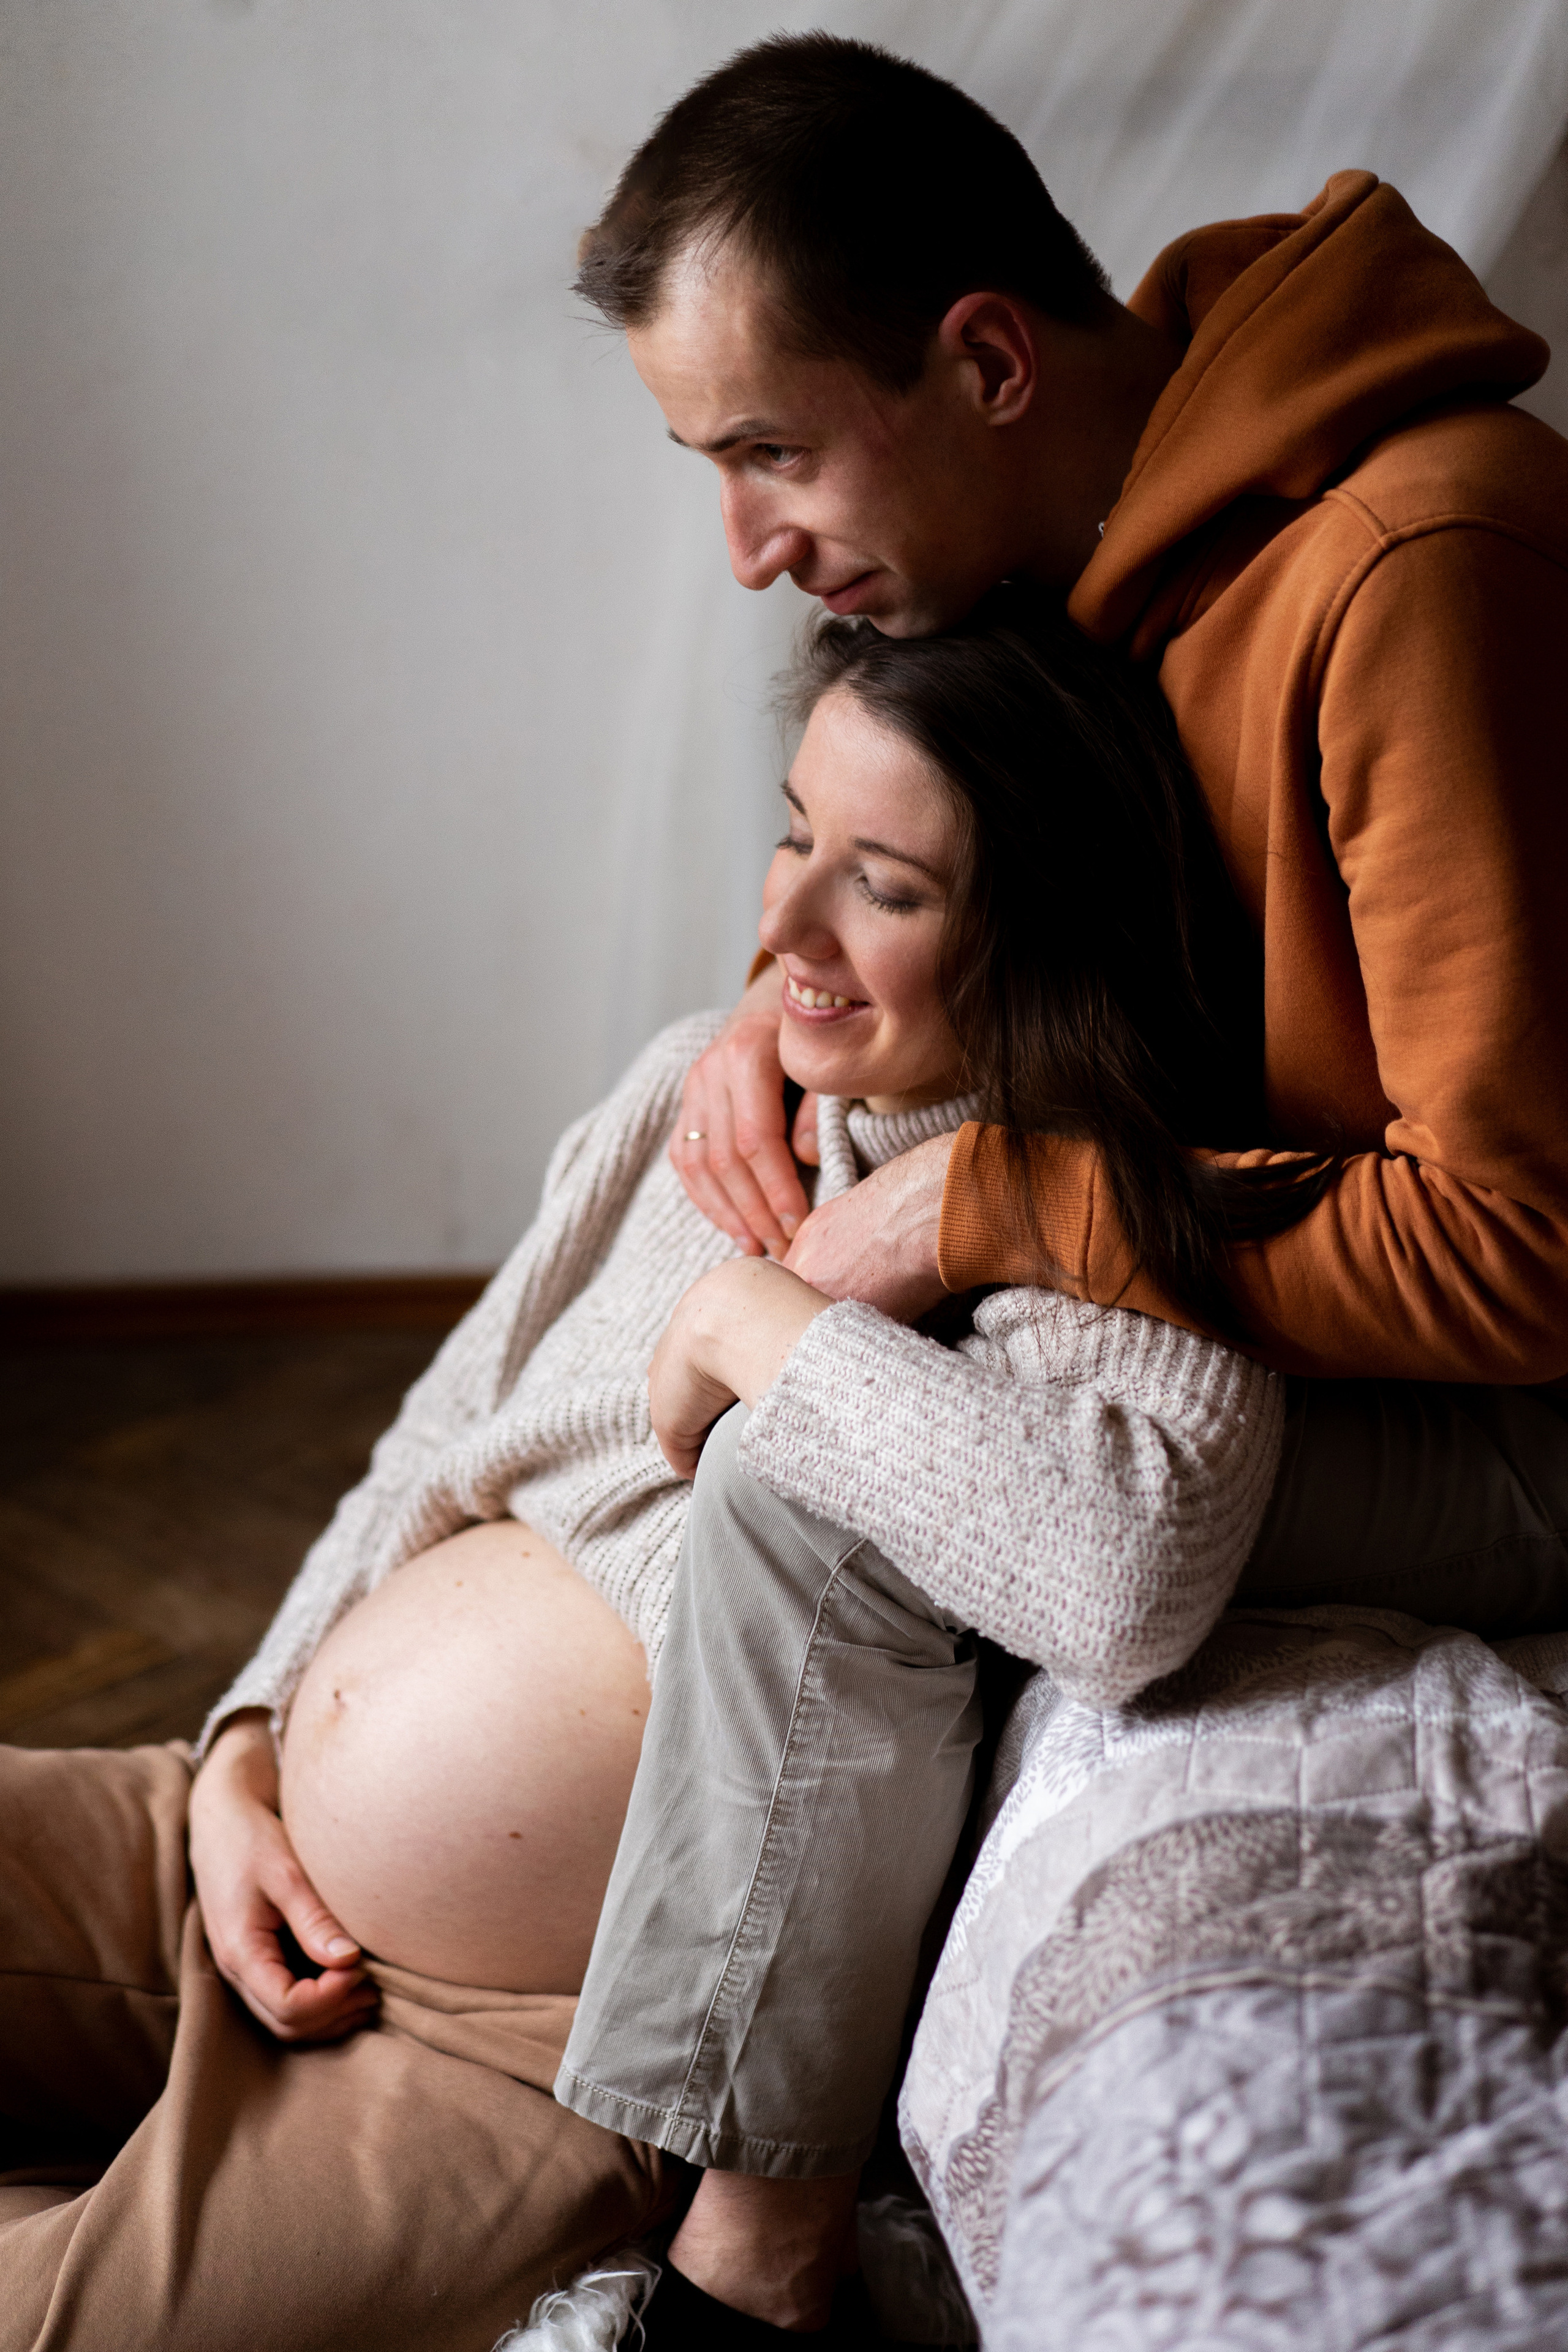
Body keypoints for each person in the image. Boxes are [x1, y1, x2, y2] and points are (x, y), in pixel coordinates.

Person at [549, 26, 1568, 2342]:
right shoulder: (1080, 555)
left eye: (776, 452)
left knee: (841, 1479)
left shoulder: (1419, 555)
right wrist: (783, 1003)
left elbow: (1524, 1252)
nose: (750, 550)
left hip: (1538, 1406)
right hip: (1260, 1319)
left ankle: (747, 2275)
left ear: (987, 358)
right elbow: (1013, 871)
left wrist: (997, 1207)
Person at [0, 592, 1291, 2350]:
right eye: (790, 834)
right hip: (225, 1851)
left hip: (510, 2043)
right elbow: (431, 1449)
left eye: (885, 887)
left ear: (1045, 931)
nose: (788, 923)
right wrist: (243, 1744)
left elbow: (1124, 1582)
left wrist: (767, 1325)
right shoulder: (700, 1088)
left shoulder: (1101, 1238)